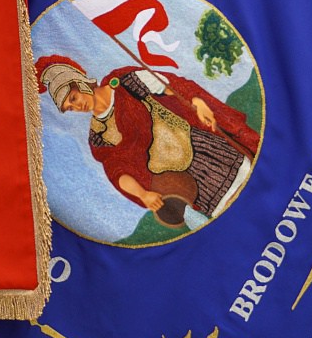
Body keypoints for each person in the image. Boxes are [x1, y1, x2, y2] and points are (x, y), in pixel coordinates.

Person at [35, 55, 259, 227]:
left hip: (201, 147)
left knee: (255, 180)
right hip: (183, 180)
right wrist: (143, 194)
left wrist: (197, 101)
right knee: (233, 214)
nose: (76, 107)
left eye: (73, 98)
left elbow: (170, 86)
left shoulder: (124, 82)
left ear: (80, 82)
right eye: (69, 108)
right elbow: (118, 172)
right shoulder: (99, 136)